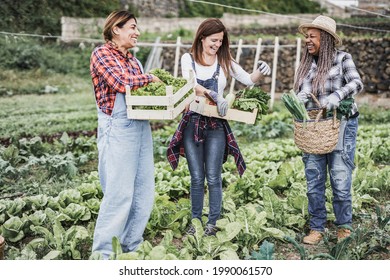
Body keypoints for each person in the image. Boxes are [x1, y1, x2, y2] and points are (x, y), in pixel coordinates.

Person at [167, 18, 271, 236]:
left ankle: (212, 223)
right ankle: (195, 223)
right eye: (214, 40)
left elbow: (249, 80)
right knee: (196, 177)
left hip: (216, 125)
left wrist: (261, 71)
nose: (217, 44)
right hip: (192, 122)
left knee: (213, 176)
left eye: (221, 41)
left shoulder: (225, 61)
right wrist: (212, 93)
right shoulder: (188, 59)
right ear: (202, 37)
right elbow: (190, 85)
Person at [90, 10, 161, 259]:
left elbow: (141, 92)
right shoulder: (101, 54)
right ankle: (103, 253)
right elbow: (121, 83)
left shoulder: (133, 60)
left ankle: (132, 243)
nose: (137, 32)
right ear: (115, 29)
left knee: (143, 190)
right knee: (119, 192)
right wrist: (150, 78)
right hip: (118, 127)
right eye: (132, 27)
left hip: (141, 127)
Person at [294, 15, 363, 245]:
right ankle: (317, 227)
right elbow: (304, 92)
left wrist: (337, 95)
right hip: (316, 128)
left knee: (340, 176)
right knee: (314, 178)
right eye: (306, 36)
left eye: (312, 36)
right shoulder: (307, 64)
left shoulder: (343, 59)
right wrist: (300, 98)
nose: (307, 40)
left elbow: (356, 83)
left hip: (342, 124)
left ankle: (343, 226)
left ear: (325, 39)